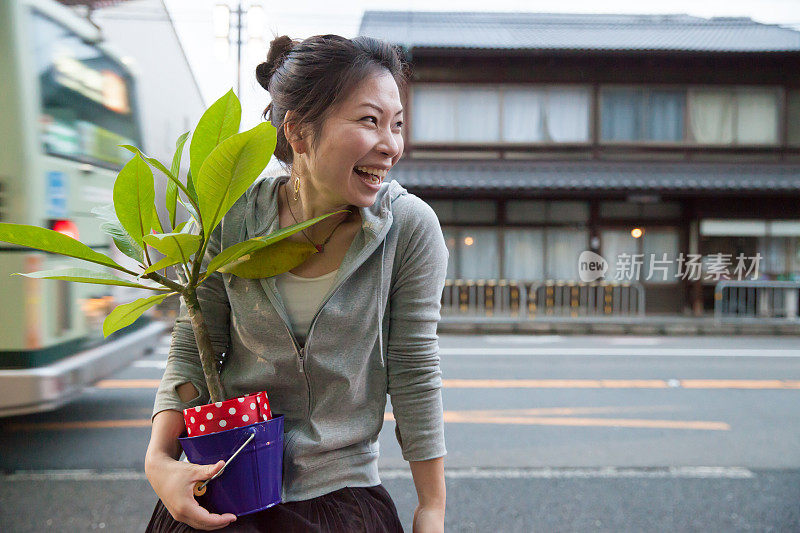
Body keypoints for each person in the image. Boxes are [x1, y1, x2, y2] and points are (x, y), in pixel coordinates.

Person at [144, 34, 449, 532]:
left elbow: (414, 368)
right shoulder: (232, 215)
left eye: (397, 124)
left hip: (342, 498)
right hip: (224, 485)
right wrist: (159, 460)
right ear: (300, 132)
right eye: (370, 121)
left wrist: (430, 507)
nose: (391, 145)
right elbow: (194, 345)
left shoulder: (409, 228)